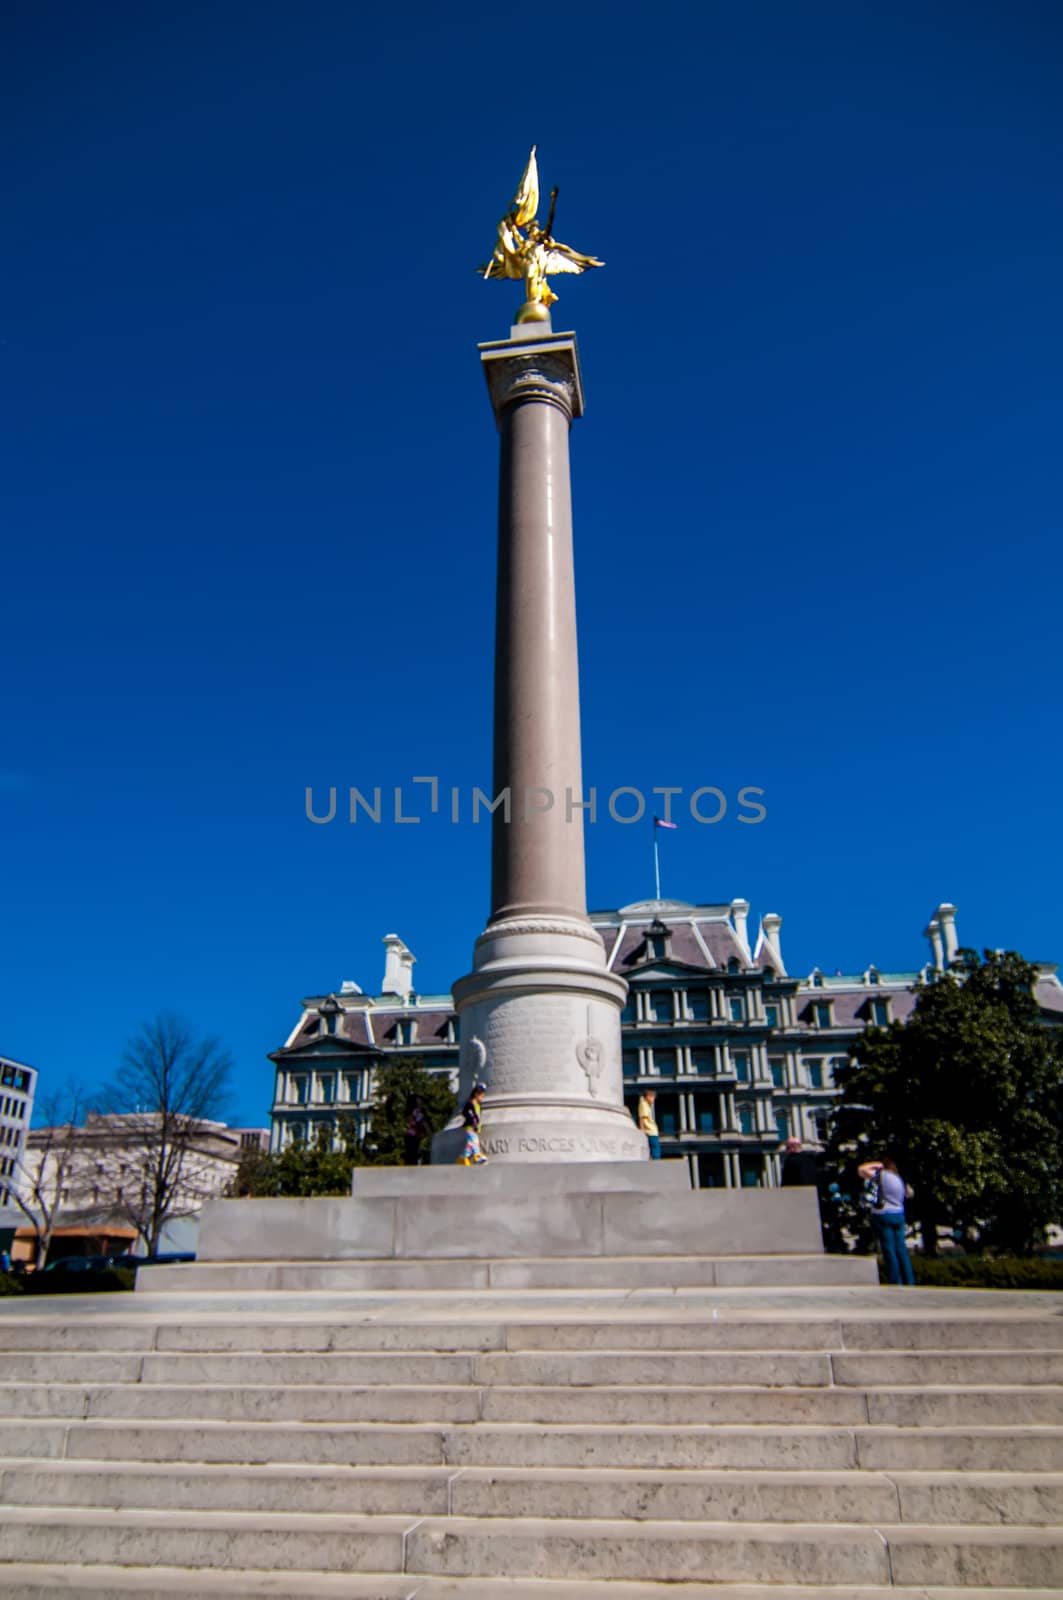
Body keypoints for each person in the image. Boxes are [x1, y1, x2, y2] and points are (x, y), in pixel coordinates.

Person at [858, 1154, 916, 1286]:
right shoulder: (899, 1178)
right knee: (901, 1249)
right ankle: (909, 1280)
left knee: (889, 1249)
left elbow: (861, 1170)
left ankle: (896, 1282)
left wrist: (876, 1164)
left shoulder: (882, 1176)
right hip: (899, 1214)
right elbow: (909, 1194)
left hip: (884, 1214)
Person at [457, 1083, 488, 1165]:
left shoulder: (477, 1105)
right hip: (470, 1127)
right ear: (476, 1094)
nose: (483, 1097)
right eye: (481, 1095)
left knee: (470, 1144)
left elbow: (477, 1116)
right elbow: (470, 1115)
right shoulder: (470, 1104)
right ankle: (477, 1157)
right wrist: (475, 1125)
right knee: (474, 1141)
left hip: (473, 1127)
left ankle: (463, 1158)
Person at [403, 1095, 430, 1166]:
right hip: (413, 1135)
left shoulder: (412, 1110)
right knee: (412, 1153)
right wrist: (428, 1132)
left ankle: (410, 1165)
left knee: (411, 1153)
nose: (420, 1102)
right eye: (419, 1100)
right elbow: (422, 1122)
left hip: (413, 1135)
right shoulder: (416, 1111)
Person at [637, 1088, 660, 1159]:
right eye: (653, 1097)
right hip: (650, 1131)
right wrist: (642, 1130)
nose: (654, 1099)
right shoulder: (643, 1104)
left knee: (655, 1148)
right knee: (655, 1149)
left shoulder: (646, 1105)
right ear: (648, 1096)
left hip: (652, 1131)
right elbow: (642, 1118)